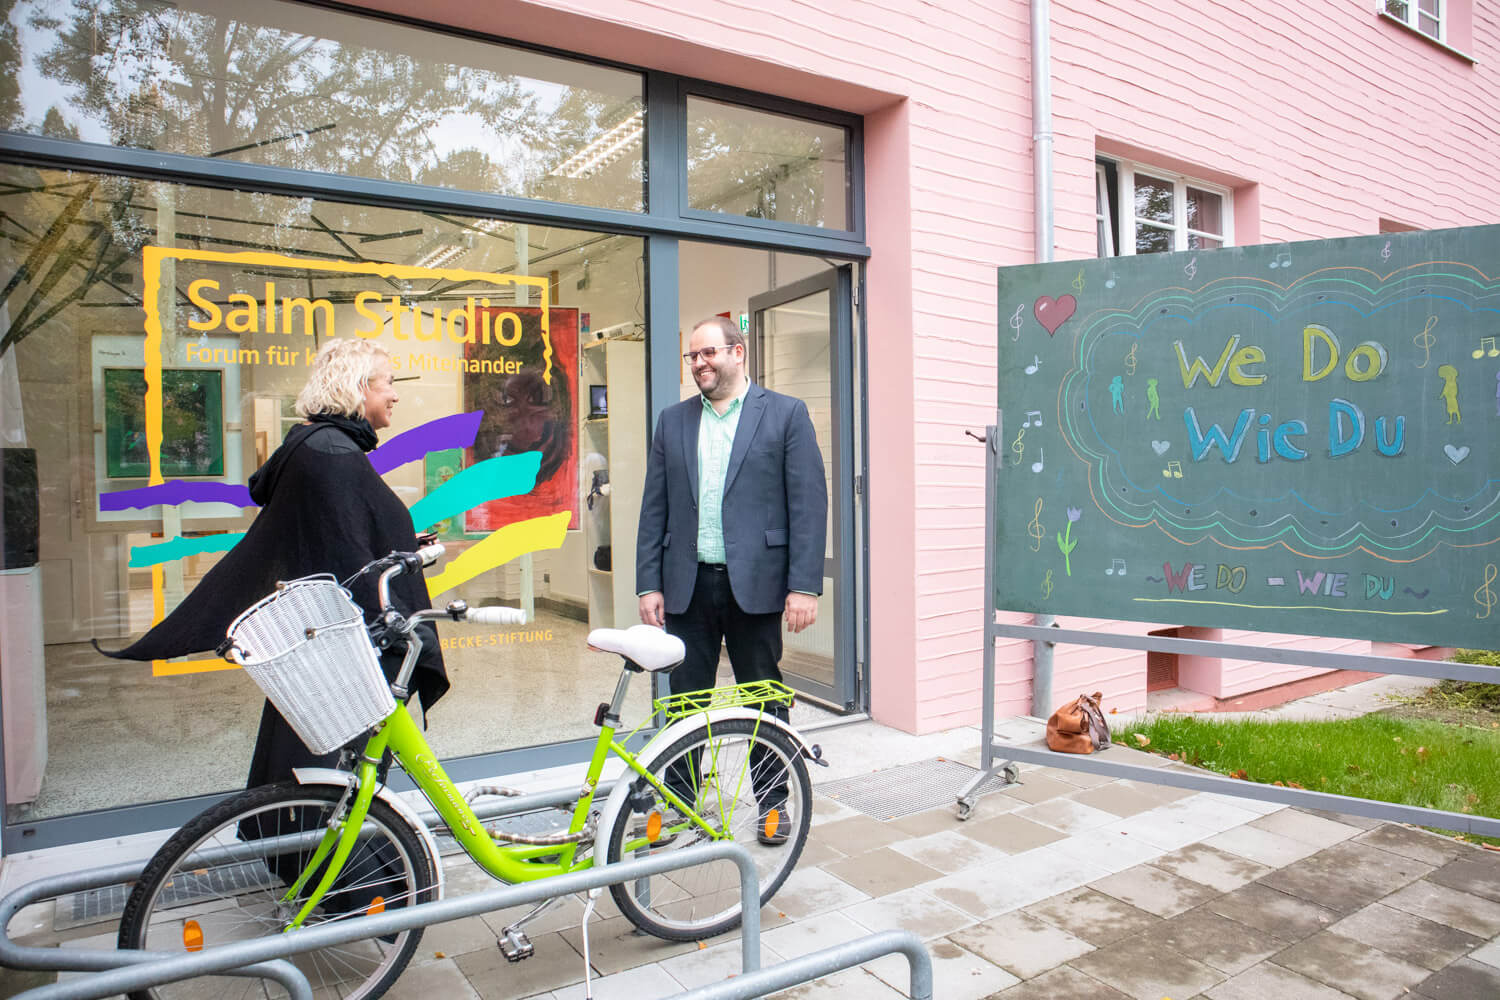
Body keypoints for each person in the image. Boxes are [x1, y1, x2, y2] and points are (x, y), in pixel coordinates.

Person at [98, 339, 449, 789]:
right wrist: (396, 630)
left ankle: (293, 847)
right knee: (336, 764)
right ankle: (325, 855)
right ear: (358, 387)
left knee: (304, 745)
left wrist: (398, 539)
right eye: (388, 384)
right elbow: (346, 552)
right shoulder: (332, 454)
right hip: (341, 645)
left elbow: (333, 533)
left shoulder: (318, 444)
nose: (395, 395)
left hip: (319, 635)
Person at [635, 315, 827, 844]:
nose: (699, 364)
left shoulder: (785, 414)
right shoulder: (672, 422)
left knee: (763, 696)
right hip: (687, 585)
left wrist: (805, 585)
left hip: (758, 586)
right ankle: (678, 803)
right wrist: (648, 582)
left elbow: (808, 505)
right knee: (683, 701)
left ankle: (772, 802)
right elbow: (655, 509)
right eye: (692, 357)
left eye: (708, 354)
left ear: (738, 353)